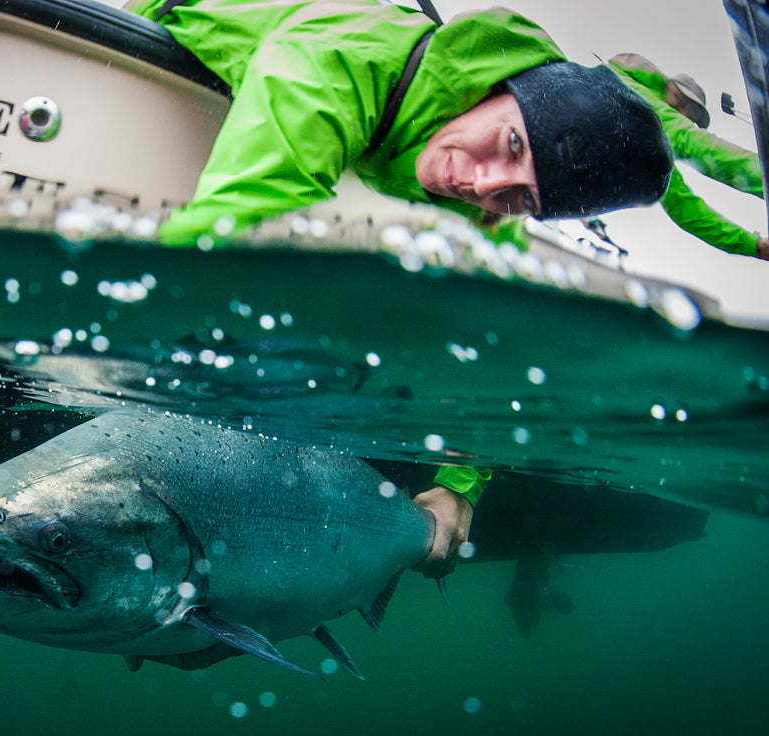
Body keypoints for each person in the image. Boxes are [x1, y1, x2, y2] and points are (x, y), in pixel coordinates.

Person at [128, 0, 673, 579]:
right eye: (512, 144)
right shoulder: (336, 63)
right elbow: (218, 245)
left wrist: (458, 487)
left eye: (524, 198)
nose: (481, 184)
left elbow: (498, 361)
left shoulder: (489, 209)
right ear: (497, 88)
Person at [608, 53, 769, 261]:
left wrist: (753, 245)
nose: (681, 113)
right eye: (681, 100)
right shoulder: (621, 81)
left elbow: (682, 206)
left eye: (689, 116)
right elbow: (692, 143)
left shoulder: (652, 148)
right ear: (666, 84)